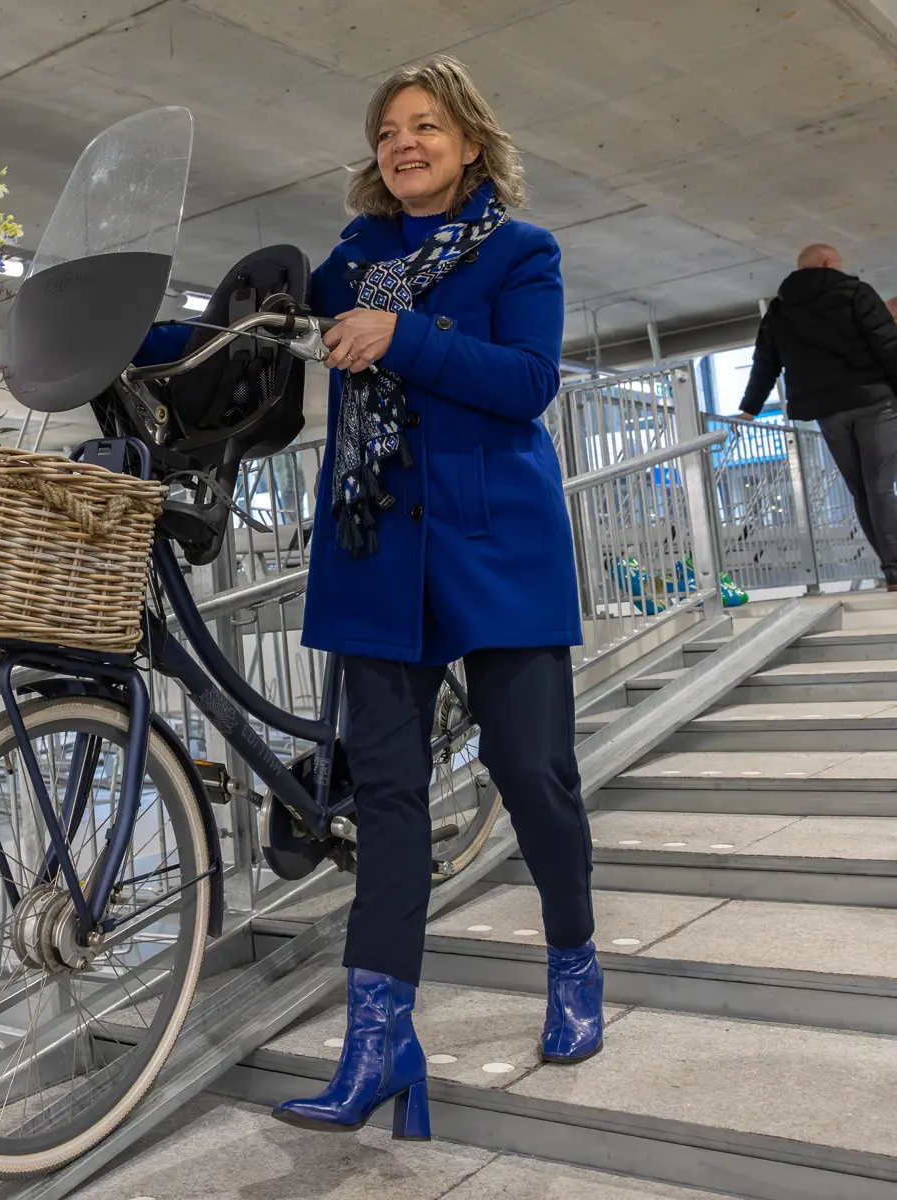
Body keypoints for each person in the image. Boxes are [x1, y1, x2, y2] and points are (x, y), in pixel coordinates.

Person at [273, 55, 599, 1142]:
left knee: (532, 774)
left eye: (424, 126)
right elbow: (264, 331)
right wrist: (136, 331)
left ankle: (574, 962)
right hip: (376, 556)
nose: (402, 143)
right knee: (388, 802)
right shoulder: (356, 257)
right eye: (387, 131)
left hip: (495, 545)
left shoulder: (520, 251)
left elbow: (526, 381)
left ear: (468, 140)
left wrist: (404, 337)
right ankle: (378, 1043)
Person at [741, 245, 897, 590]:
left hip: (827, 412)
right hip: (872, 400)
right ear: (828, 264)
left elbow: (765, 362)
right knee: (880, 486)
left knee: (861, 491)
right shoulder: (855, 292)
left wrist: (750, 408)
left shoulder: (779, 311)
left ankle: (893, 571)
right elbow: (886, 343)